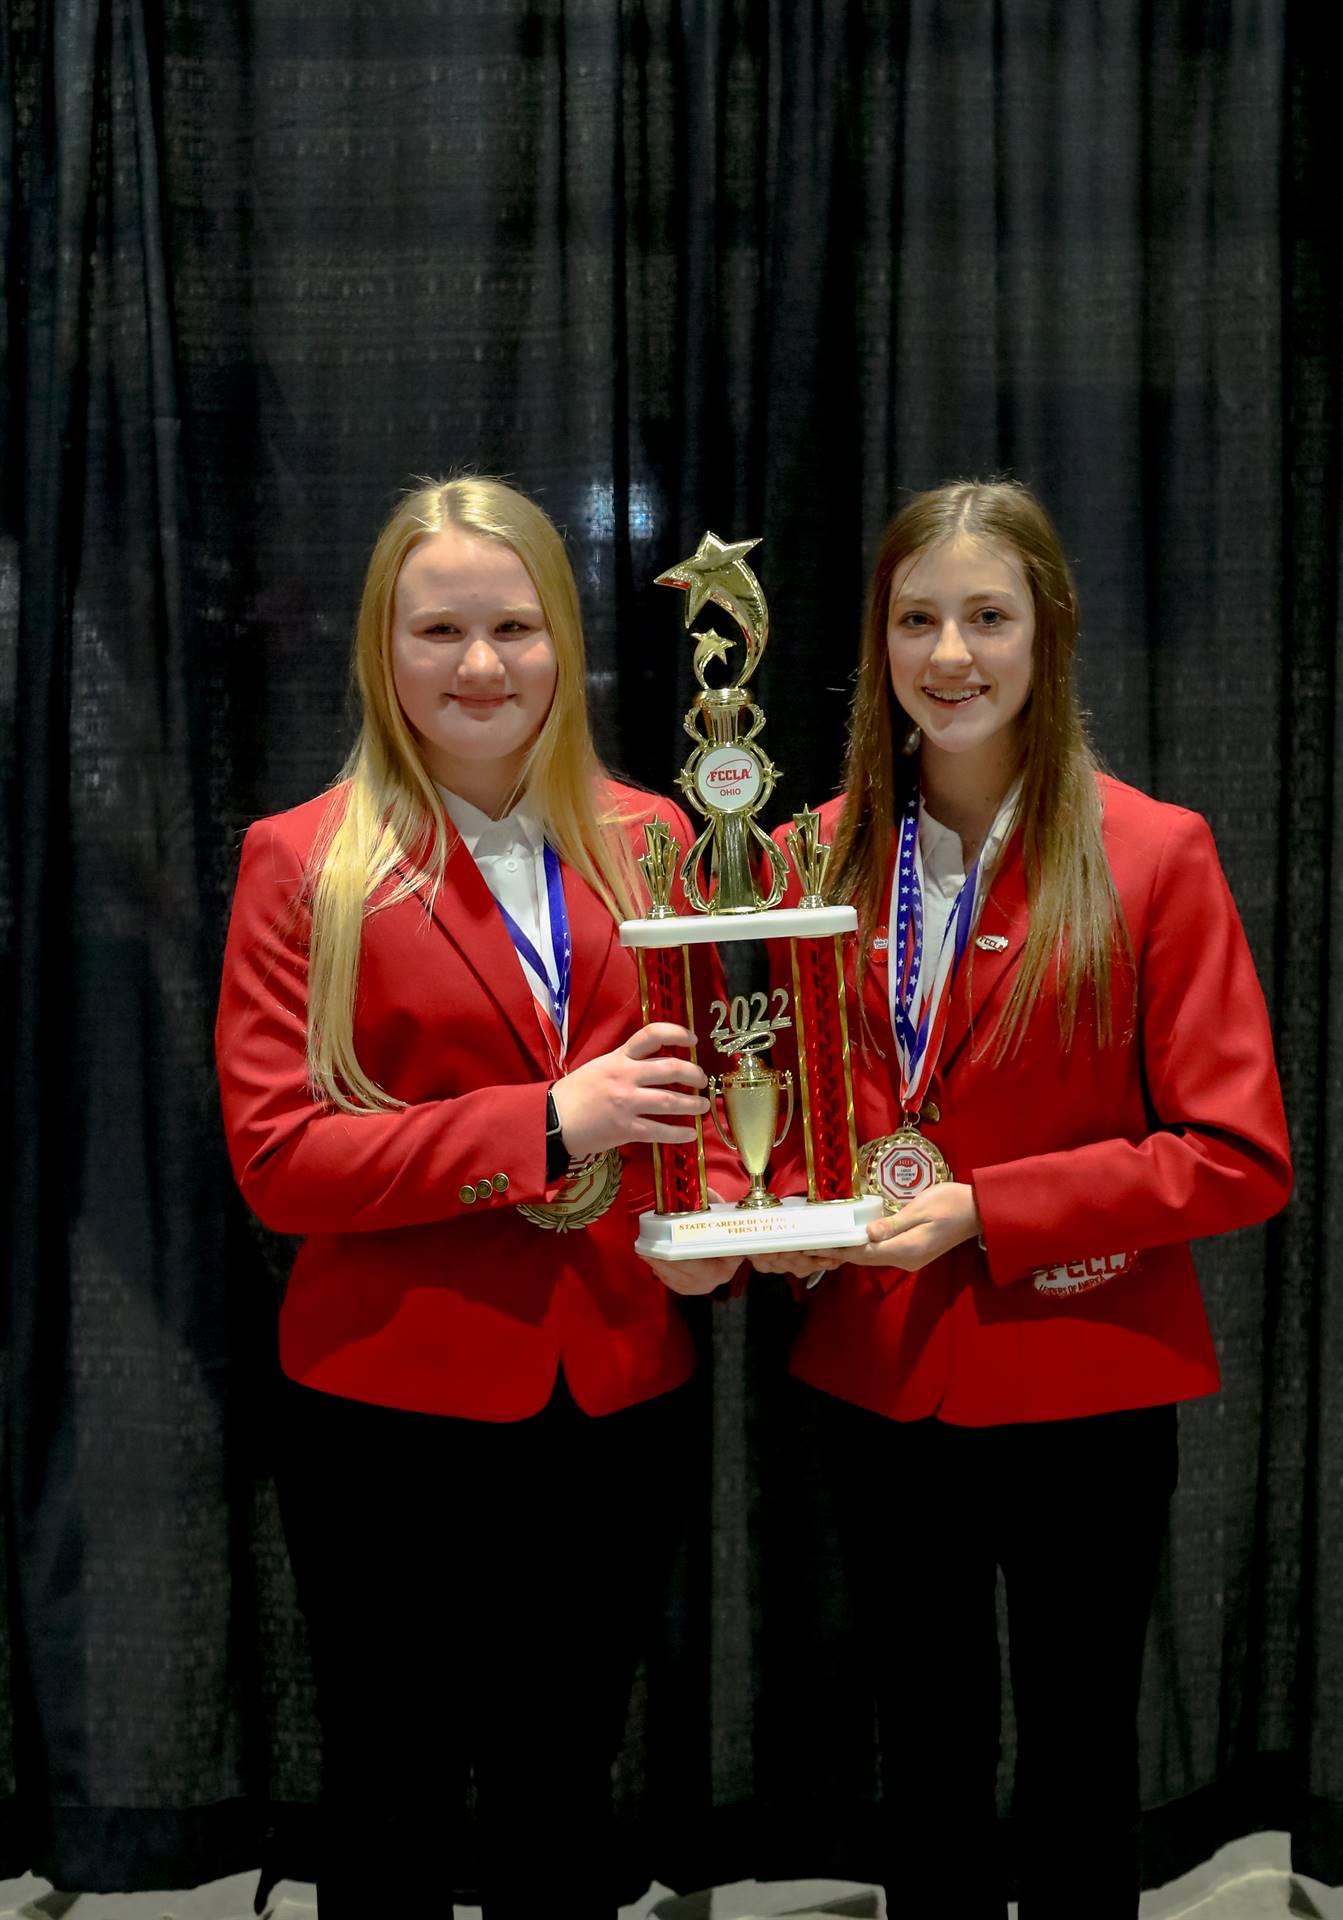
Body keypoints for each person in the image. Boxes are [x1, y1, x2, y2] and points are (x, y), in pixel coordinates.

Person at [752, 480, 1292, 1919]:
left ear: (1047, 634)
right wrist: (763, 1210)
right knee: (920, 1765)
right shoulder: (815, 854)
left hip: (1084, 1378)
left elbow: (1237, 1156)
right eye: (917, 617)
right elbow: (798, 1117)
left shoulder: (1152, 852)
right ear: (877, 641)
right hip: (880, 1378)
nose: (951, 654)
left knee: (1078, 1767)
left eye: (987, 616)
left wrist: (990, 1207)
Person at [215, 477, 731, 1919]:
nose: (482, 664)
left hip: (619, 1387)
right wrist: (543, 1124)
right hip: (388, 1411)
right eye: (439, 629)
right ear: (383, 650)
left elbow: (719, 1093)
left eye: (514, 625)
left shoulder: (662, 843)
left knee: (564, 1790)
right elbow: (279, 1160)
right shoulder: (303, 863)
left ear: (568, 642)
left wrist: (728, 1238)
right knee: (392, 1797)